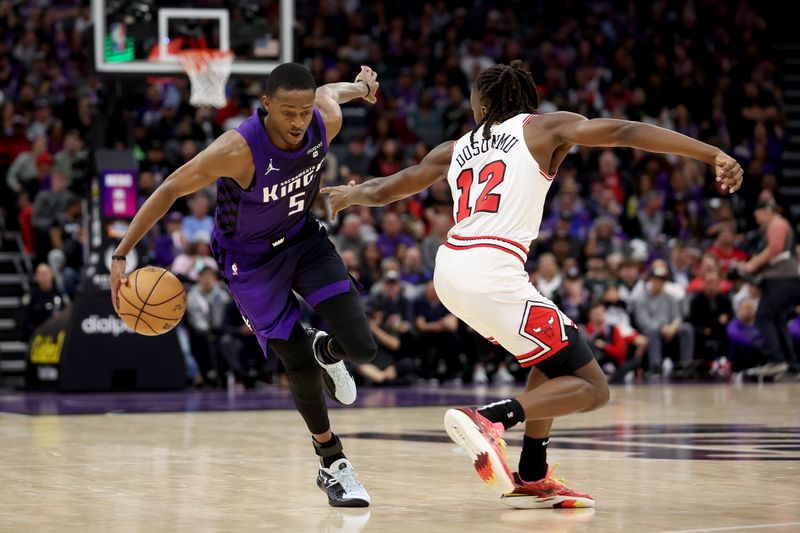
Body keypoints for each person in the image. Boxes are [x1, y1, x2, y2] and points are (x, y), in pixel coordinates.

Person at [323, 60, 742, 508]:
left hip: (452, 269)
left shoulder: (456, 147)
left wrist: (350, 194)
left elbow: (394, 187)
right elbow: (626, 132)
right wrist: (710, 152)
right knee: (594, 388)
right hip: (493, 270)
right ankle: (491, 419)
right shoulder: (544, 129)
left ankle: (533, 472)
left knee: (549, 355)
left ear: (483, 102)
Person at [110, 63, 380, 507]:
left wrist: (363, 86)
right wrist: (121, 254)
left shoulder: (324, 117)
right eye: (288, 112)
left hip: (302, 241)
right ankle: (332, 462)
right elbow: (170, 188)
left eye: (304, 111)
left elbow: (335, 91)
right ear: (267, 105)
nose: (298, 122)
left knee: (363, 348)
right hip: (248, 262)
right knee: (294, 361)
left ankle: (325, 349)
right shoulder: (236, 149)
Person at [738, 199, 800, 377]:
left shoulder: (777, 223)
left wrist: (751, 265)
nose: (757, 220)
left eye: (757, 216)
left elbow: (775, 248)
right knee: (778, 318)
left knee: (763, 317)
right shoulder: (776, 224)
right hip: (785, 278)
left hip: (782, 279)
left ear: (766, 211)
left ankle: (776, 361)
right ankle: (791, 364)